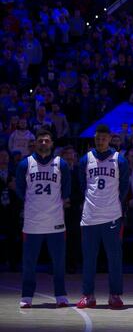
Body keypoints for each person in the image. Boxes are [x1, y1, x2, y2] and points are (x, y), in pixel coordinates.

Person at [16, 127, 71, 307]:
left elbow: (66, 190)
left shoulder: (61, 163)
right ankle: (27, 296)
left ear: (52, 143)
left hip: (55, 221)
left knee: (58, 262)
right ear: (35, 143)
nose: (44, 143)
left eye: (47, 140)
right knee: (29, 262)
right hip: (32, 221)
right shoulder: (25, 164)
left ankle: (61, 295)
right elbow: (20, 190)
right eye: (40, 141)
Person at [77, 124, 129, 308]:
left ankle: (114, 295)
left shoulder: (119, 160)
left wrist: (113, 203)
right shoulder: (86, 159)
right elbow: (82, 186)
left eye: (104, 138)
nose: (100, 141)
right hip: (90, 216)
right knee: (89, 258)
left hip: (112, 216)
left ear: (110, 139)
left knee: (114, 258)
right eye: (98, 138)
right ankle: (88, 295)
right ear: (95, 138)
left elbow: (124, 187)